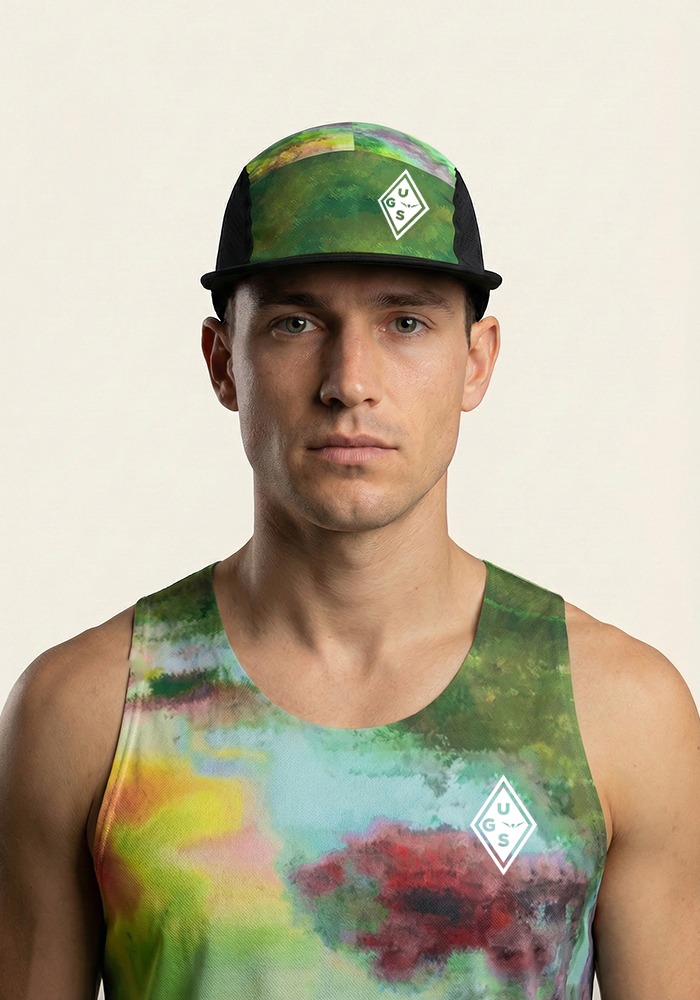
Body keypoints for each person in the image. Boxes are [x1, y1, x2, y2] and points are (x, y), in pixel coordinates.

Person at [0, 121, 698, 1000]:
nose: (350, 380)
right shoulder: (86, 711)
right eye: (296, 323)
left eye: (406, 322)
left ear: (476, 361)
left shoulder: (620, 711)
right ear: (223, 363)